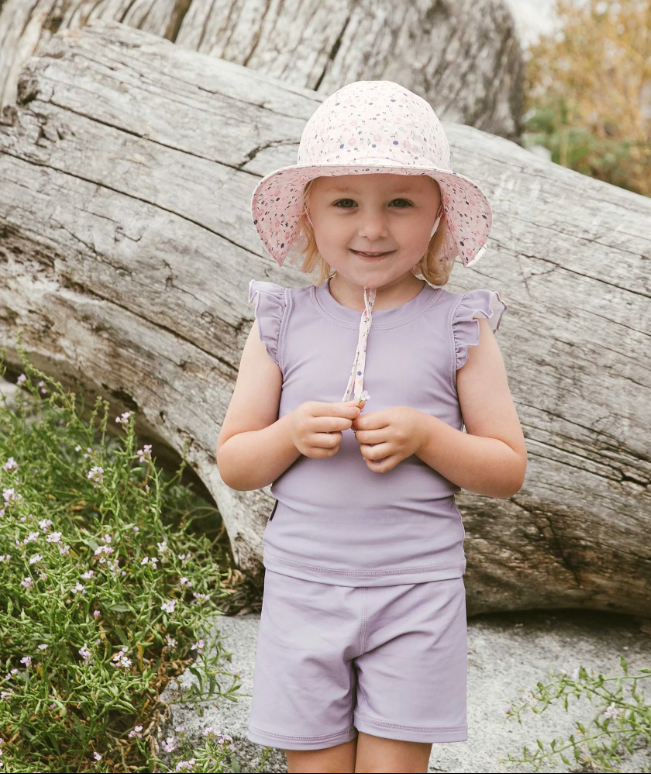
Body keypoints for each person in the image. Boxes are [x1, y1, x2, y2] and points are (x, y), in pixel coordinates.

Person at [217, 80, 527, 774]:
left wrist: (428, 437)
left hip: (416, 594)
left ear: (437, 215)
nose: (373, 228)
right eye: (346, 203)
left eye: (400, 203)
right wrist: (290, 434)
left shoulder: (460, 325)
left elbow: (507, 468)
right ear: (308, 213)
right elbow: (235, 461)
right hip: (303, 588)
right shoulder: (280, 323)